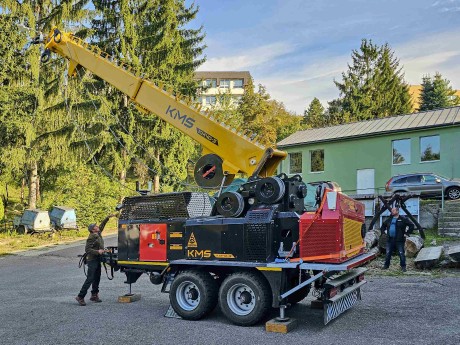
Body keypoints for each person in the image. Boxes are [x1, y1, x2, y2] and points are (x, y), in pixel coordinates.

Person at [75, 214, 116, 306]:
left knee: (97, 277)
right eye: (96, 226)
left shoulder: (98, 232)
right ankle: (80, 296)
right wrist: (98, 251)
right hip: (92, 260)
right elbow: (87, 250)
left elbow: (102, 225)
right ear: (93, 230)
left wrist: (107, 217)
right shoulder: (91, 237)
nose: (98, 227)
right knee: (90, 278)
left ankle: (94, 295)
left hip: (97, 259)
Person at [381, 207, 414, 272]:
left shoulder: (403, 219)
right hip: (390, 239)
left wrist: (407, 233)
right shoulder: (389, 219)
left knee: (401, 253)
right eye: (391, 210)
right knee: (388, 253)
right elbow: (383, 226)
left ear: (397, 211)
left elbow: (411, 225)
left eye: (393, 210)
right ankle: (386, 266)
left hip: (399, 240)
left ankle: (403, 267)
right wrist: (383, 232)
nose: (392, 212)